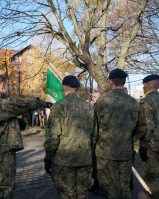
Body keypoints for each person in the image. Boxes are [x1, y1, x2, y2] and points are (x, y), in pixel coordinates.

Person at [0, 74, 51, 199]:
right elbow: (24, 104)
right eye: (7, 85)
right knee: (6, 186)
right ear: (3, 86)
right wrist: (44, 104)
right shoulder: (2, 104)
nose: (8, 88)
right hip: (4, 152)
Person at [44, 75, 96, 199]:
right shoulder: (89, 107)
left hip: (64, 161)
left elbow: (52, 137)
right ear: (77, 88)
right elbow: (95, 134)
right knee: (82, 194)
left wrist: (48, 157)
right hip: (85, 158)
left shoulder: (59, 106)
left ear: (63, 88)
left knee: (67, 194)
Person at [94, 69, 139, 199]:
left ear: (111, 81)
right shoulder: (133, 102)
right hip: (125, 150)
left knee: (110, 187)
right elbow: (140, 127)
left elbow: (95, 125)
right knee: (125, 186)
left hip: (105, 152)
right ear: (124, 81)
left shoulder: (102, 101)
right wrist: (129, 139)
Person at [134, 74, 159, 197]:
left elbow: (147, 126)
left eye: (144, 86)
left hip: (152, 147)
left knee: (151, 179)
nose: (143, 88)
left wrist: (143, 145)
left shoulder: (147, 101)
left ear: (149, 85)